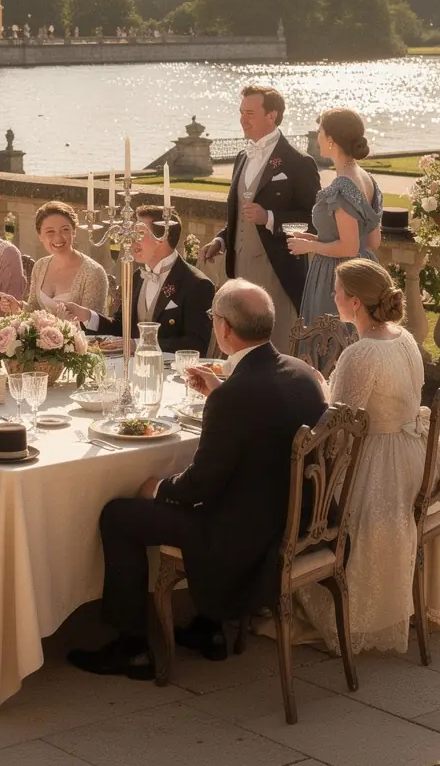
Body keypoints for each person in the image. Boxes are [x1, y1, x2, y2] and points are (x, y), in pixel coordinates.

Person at [68, 281, 326, 676]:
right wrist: (221, 394)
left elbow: (200, 487)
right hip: (296, 520)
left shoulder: (234, 398)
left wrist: (158, 487)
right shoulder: (301, 373)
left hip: (244, 536)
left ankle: (132, 647)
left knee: (119, 515)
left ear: (223, 329)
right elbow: (263, 428)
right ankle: (209, 629)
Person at [292, 260, 440, 653]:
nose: (332, 297)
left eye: (337, 292)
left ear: (355, 303)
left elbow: (339, 429)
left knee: (300, 483)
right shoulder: (405, 337)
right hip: (419, 457)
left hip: (381, 464)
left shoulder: (362, 353)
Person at [200, 86, 321, 353]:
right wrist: (222, 239)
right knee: (235, 348)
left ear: (272, 115)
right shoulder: (243, 157)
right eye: (242, 112)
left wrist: (270, 218)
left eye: (251, 113)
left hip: (276, 271)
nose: (243, 119)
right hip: (238, 271)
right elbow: (239, 215)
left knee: (275, 350)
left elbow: (313, 223)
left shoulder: (298, 162)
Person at [65, 208, 214, 355]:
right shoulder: (137, 276)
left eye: (139, 234)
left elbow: (196, 344)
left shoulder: (197, 284)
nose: (131, 241)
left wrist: (140, 345)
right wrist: (87, 315)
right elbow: (121, 326)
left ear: (162, 236)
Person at [287, 109, 383, 326]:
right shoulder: (368, 179)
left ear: (330, 139)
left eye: (320, 130)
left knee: (328, 344)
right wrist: (314, 239)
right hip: (364, 272)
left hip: (337, 278)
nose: (317, 135)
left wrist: (310, 248)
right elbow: (371, 242)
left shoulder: (343, 185)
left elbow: (348, 247)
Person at [0, 201, 108, 317]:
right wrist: (18, 306)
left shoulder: (93, 273)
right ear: (40, 235)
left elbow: (93, 325)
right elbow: (34, 309)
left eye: (65, 230)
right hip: (43, 335)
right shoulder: (40, 265)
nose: (58, 237)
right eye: (50, 231)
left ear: (74, 231)